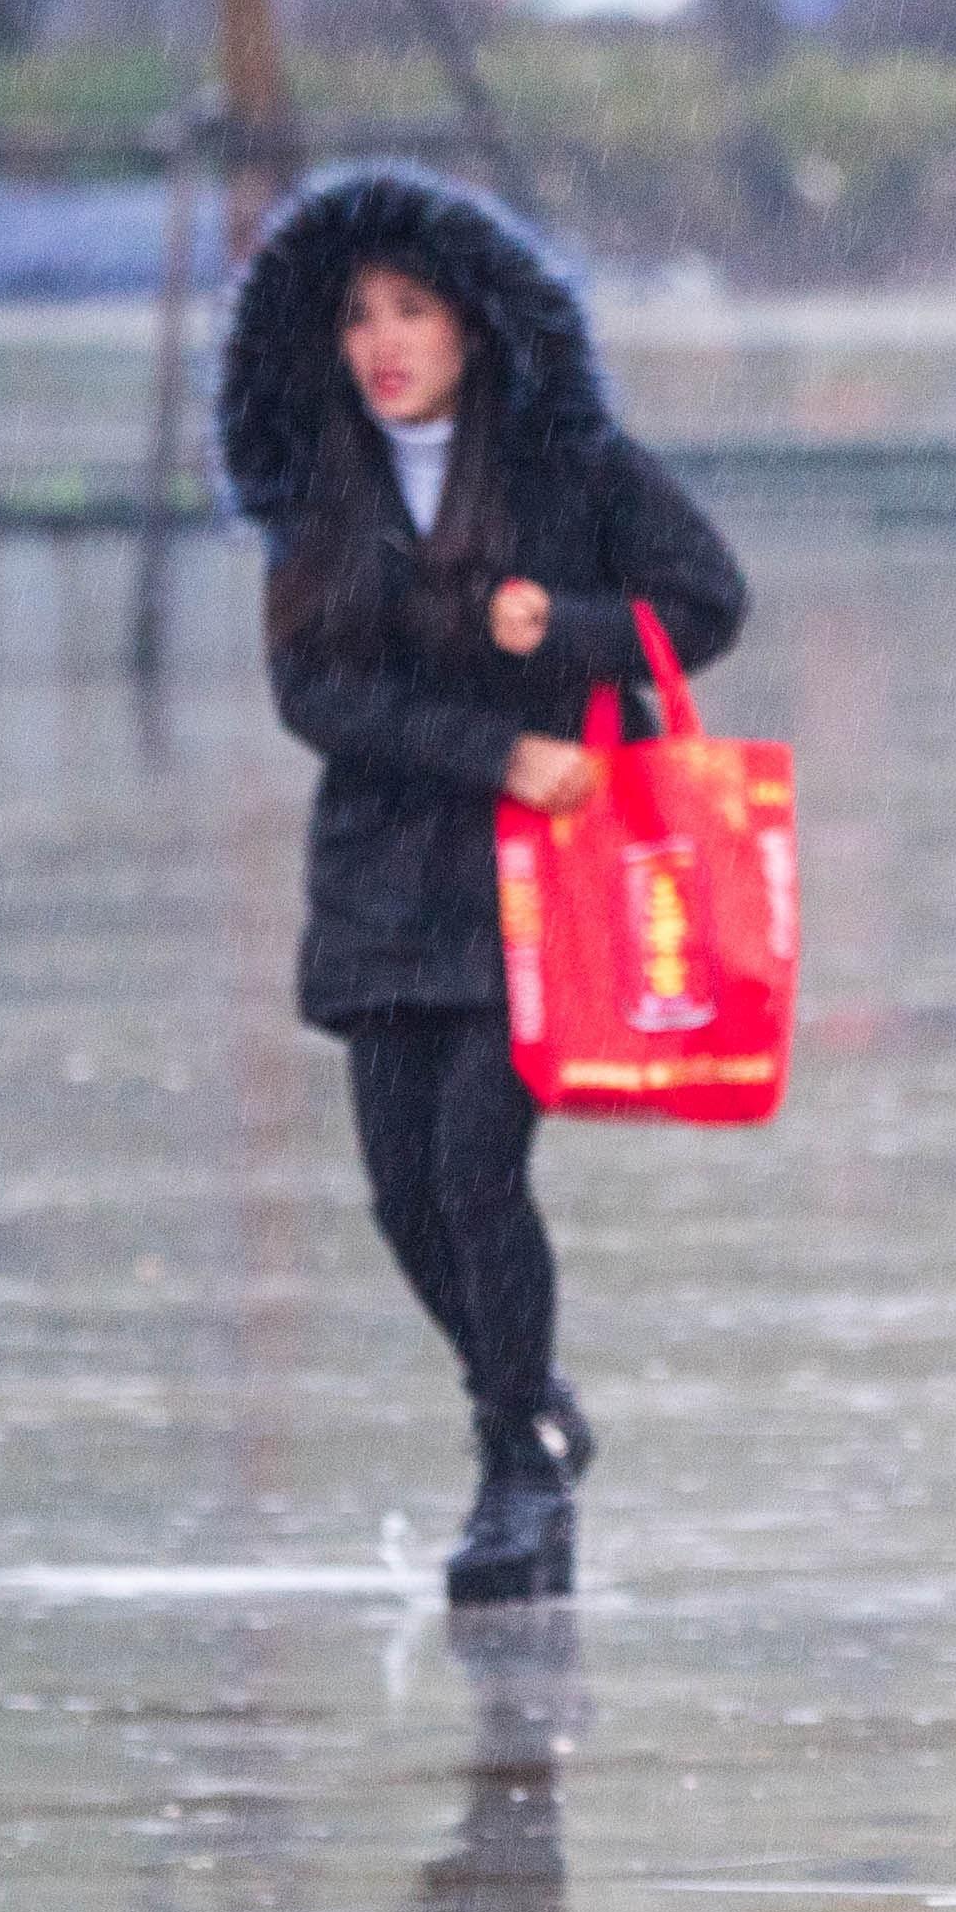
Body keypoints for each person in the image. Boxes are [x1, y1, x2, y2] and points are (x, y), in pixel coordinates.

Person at [221, 171, 747, 1604]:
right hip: (386, 875)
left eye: (412, 310)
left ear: (473, 326)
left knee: (475, 1163)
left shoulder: (568, 462)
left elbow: (707, 599)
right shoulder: (319, 478)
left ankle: (514, 1471)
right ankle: (527, 1400)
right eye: (357, 317)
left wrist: (564, 628)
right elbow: (309, 689)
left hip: (544, 882)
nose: (383, 342)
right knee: (401, 1194)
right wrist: (490, 748)